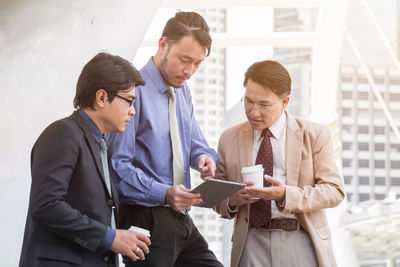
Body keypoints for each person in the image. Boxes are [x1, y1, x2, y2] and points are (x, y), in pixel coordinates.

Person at [107, 11, 223, 267]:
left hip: (180, 217)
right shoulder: (132, 92)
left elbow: (194, 144)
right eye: (184, 59)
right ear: (162, 45)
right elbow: (117, 167)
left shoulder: (182, 92)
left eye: (197, 63)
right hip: (144, 219)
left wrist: (204, 158)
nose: (189, 71)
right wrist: (164, 193)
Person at [19, 52, 151, 267]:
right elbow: (46, 205)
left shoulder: (99, 144)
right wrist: (109, 237)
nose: (133, 111)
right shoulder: (62, 133)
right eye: (129, 101)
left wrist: (118, 236)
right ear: (101, 98)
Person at [214, 60, 345, 267]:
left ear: (285, 102)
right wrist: (233, 199)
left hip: (301, 239)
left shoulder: (315, 135)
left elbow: (334, 191)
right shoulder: (229, 138)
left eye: (264, 104)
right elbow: (218, 198)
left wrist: (285, 195)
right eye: (248, 101)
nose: (254, 112)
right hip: (251, 243)